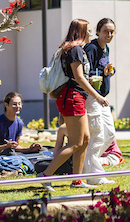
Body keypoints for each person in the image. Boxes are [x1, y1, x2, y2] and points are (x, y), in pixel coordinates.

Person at [38, 19, 108, 188]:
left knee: (85, 139)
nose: (91, 34)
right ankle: (45, 175)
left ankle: (77, 180)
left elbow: (77, 76)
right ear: (81, 32)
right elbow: (78, 77)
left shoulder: (73, 49)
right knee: (76, 142)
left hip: (75, 97)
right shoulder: (75, 50)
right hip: (72, 97)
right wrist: (97, 96)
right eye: (89, 30)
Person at [81, 18, 118, 184]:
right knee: (96, 136)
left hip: (102, 97)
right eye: (105, 31)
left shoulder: (105, 48)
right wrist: (97, 76)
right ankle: (94, 176)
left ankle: (86, 166)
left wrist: (109, 71)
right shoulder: (92, 47)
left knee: (109, 134)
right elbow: (84, 72)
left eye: (111, 31)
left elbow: (100, 71)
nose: (109, 34)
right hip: (92, 96)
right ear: (98, 32)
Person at [0, 91, 42, 166]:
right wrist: (6, 146)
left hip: (11, 154)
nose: (18, 106)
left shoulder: (19, 123)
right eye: (14, 104)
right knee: (11, 152)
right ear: (6, 105)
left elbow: (16, 146)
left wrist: (30, 149)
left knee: (42, 150)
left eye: (19, 104)